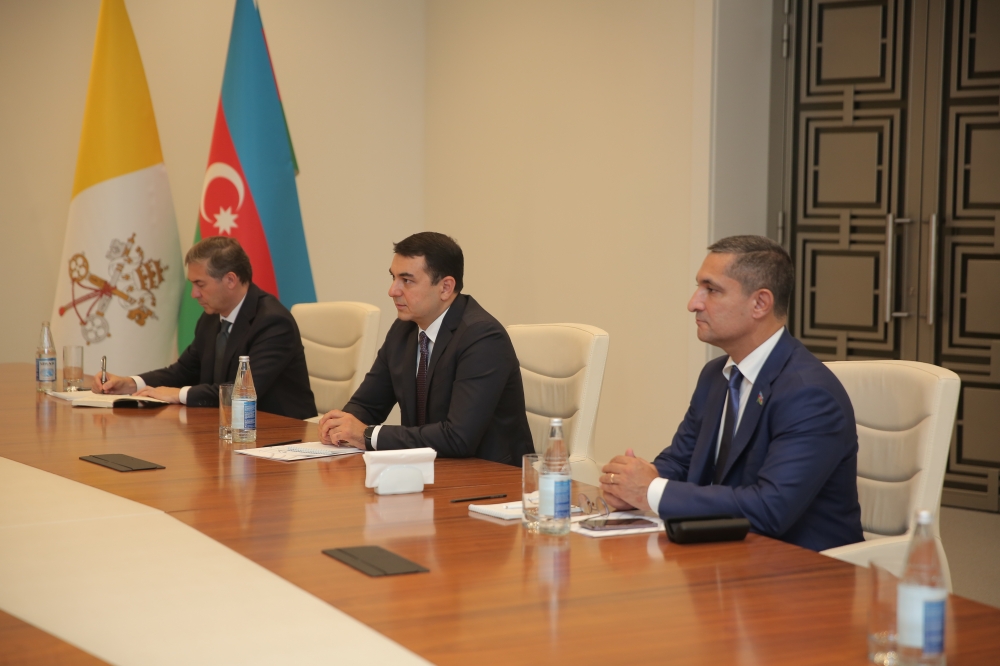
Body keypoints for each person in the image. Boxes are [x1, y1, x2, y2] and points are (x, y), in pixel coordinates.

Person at [600, 235, 863, 551]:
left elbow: (770, 509)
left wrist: (652, 491)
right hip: (726, 555)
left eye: (711, 290)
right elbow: (682, 462)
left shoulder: (809, 395)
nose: (694, 303)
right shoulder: (716, 375)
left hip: (803, 568)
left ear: (760, 303)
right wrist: (632, 483)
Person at [318, 232, 533, 466]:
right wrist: (341, 426)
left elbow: (458, 437)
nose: (392, 291)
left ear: (445, 287)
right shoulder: (404, 329)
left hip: (490, 475)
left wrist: (368, 435)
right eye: (393, 278)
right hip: (429, 469)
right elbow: (368, 404)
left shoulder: (482, 337)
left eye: (406, 280)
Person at [93, 236, 316, 420]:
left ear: (230, 280)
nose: (194, 294)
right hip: (225, 427)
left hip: (279, 434)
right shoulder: (211, 318)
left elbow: (242, 391)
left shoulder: (273, 322)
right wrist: (131, 384)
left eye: (200, 284)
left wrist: (179, 394)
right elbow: (183, 371)